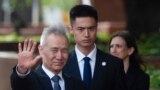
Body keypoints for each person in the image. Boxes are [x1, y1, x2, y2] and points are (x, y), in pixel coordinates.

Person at [63, 5, 126, 90]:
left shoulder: (114, 64)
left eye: (91, 28)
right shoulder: (62, 63)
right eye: (81, 29)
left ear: (97, 28)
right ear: (71, 29)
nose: (86, 34)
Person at [10, 25, 86, 90]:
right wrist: (22, 70)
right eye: (54, 50)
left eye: (64, 51)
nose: (59, 56)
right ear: (41, 50)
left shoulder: (78, 85)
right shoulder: (30, 80)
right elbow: (18, 84)